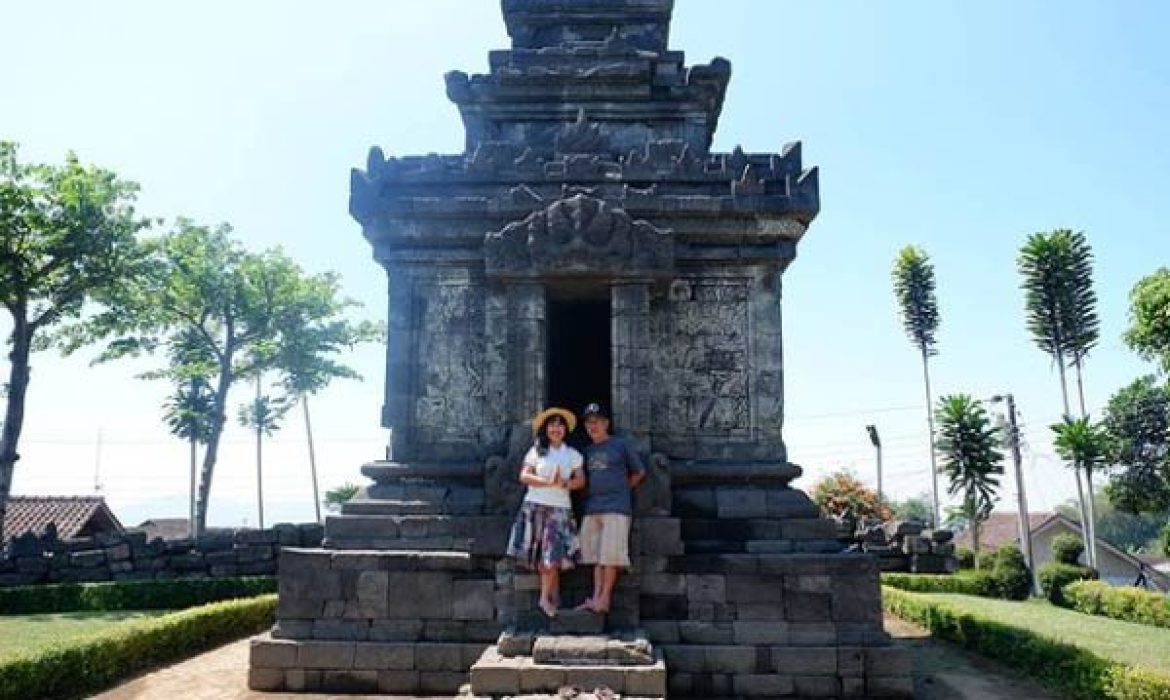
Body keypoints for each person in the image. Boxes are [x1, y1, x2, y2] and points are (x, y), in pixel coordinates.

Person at [506, 407, 586, 617]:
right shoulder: (536, 451)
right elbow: (524, 476)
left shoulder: (573, 455)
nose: (556, 428)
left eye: (560, 425)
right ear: (546, 429)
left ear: (565, 429)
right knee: (544, 557)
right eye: (552, 425)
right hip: (535, 507)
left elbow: (581, 480)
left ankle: (546, 598)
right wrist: (548, 482)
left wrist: (565, 484)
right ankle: (548, 598)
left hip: (559, 510)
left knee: (552, 556)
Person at [576, 402, 645, 614]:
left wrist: (622, 489)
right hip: (592, 508)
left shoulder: (620, 445)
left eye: (596, 422)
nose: (592, 427)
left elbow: (639, 472)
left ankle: (604, 598)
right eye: (588, 424)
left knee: (611, 556)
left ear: (606, 423)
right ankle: (596, 597)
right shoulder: (586, 452)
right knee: (595, 557)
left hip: (616, 507)